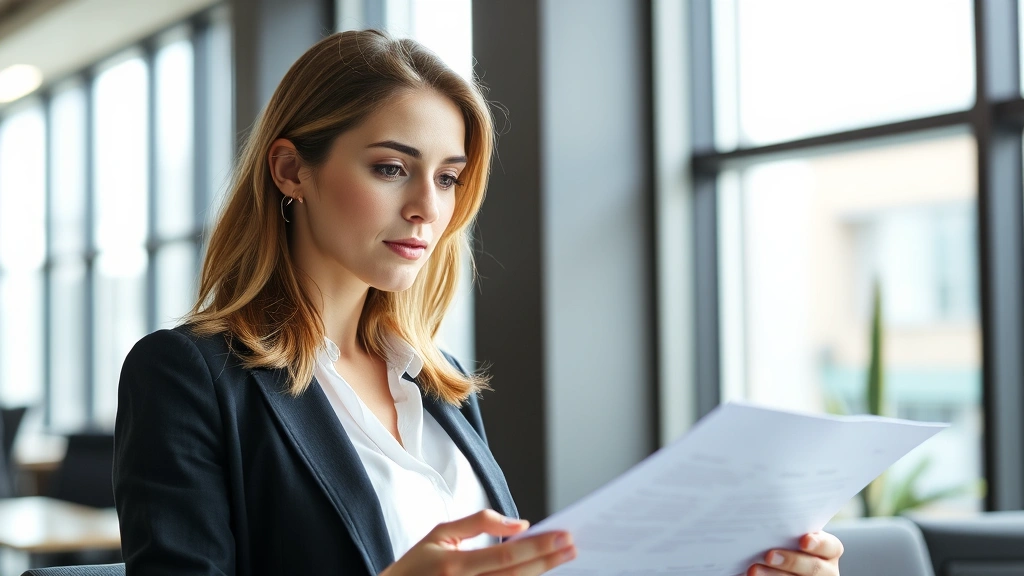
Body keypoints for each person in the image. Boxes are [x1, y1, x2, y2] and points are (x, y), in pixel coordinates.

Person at [112, 30, 844, 576]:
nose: (427, 209)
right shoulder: (188, 376)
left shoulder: (438, 384)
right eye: (392, 168)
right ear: (290, 169)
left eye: (450, 176)